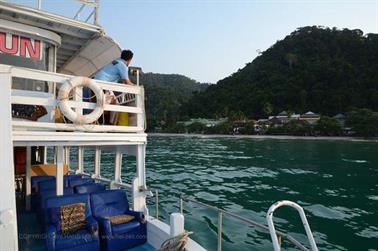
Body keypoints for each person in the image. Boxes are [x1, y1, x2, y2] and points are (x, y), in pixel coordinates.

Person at [91, 49, 135, 124]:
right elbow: (127, 82)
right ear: (129, 59)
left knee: (115, 103)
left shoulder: (116, 61)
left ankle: (110, 123)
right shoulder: (123, 65)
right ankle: (106, 123)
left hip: (96, 83)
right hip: (102, 85)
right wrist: (136, 87)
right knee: (101, 107)